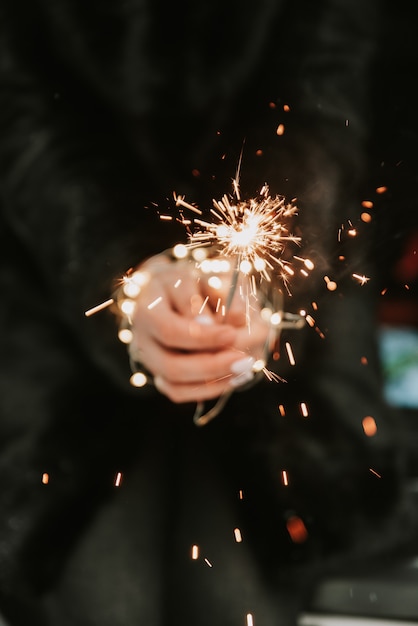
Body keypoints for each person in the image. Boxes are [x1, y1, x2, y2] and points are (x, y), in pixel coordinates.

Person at [0, 1, 413, 625]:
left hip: (301, 299)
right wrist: (125, 277)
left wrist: (259, 276)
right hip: (52, 282)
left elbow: (323, 102)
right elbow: (21, 114)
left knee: (234, 590)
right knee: (105, 591)